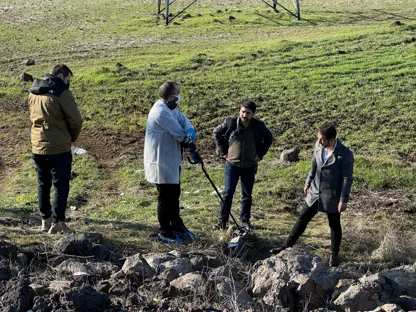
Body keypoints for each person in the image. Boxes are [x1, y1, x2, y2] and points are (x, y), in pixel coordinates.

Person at [270, 125, 354, 267]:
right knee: (303, 217)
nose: (319, 142)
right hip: (315, 191)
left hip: (332, 195)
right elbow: (314, 164)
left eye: (322, 140)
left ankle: (334, 255)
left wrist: (343, 199)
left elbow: (347, 178)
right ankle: (286, 246)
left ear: (332, 140)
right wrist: (308, 182)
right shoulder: (318, 146)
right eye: (318, 139)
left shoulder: (345, 154)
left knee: (334, 223)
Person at [28, 64, 83, 234]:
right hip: (58, 148)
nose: (68, 82)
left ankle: (46, 220)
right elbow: (77, 121)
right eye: (68, 79)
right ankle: (58, 222)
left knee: (43, 184)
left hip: (37, 145)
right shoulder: (62, 93)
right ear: (61, 76)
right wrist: (70, 138)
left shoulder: (33, 91)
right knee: (61, 185)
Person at [144, 82, 197, 244]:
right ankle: (165, 230)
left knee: (174, 194)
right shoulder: (160, 112)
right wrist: (188, 140)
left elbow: (182, 118)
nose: (179, 96)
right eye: (178, 94)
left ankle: (176, 224)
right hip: (161, 161)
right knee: (165, 197)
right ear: (173, 96)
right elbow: (177, 132)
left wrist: (189, 129)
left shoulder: (169, 109)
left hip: (171, 160)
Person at [212, 101, 273, 231]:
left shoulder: (258, 126)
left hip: (249, 166)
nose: (244, 115)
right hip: (232, 165)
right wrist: (222, 152)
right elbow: (216, 133)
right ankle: (221, 222)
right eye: (242, 111)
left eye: (248, 113)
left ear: (253, 114)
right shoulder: (230, 123)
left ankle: (245, 221)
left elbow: (269, 139)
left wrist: (260, 154)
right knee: (228, 193)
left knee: (247, 195)